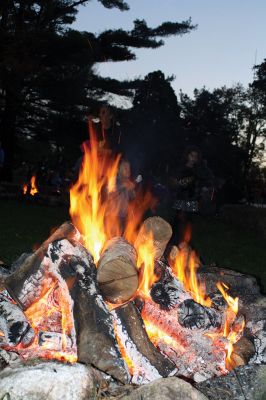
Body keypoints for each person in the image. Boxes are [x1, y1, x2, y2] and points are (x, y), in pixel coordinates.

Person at [168, 146, 214, 246]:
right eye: (191, 155)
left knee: (187, 223)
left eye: (195, 156)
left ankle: (185, 244)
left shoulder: (198, 170)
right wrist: (177, 183)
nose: (193, 158)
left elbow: (203, 182)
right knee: (178, 222)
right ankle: (173, 244)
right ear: (187, 156)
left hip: (191, 199)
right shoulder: (180, 167)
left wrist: (203, 190)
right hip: (180, 198)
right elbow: (172, 181)